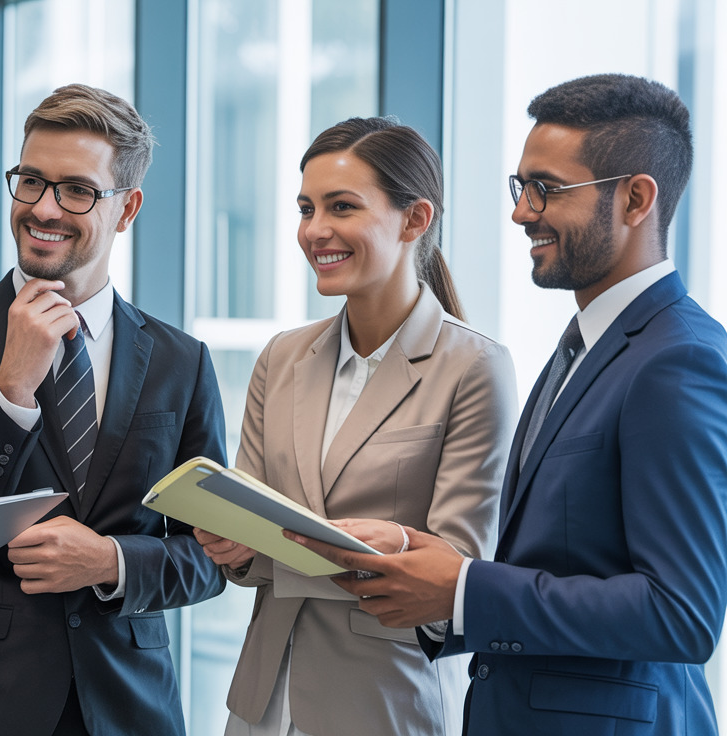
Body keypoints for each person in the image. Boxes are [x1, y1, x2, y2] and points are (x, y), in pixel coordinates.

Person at [295, 74, 727, 735]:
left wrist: (465, 589)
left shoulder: (677, 360)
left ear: (637, 198)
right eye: (519, 186)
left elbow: (681, 614)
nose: (523, 211)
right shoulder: (582, 345)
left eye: (546, 189)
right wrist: (420, 555)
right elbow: (563, 559)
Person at [0, 83, 227, 736]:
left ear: (126, 208)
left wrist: (111, 561)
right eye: (30, 181)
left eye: (76, 190)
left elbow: (214, 554)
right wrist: (10, 390)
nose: (44, 208)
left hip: (132, 707)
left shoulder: (180, 361)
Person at [194, 117, 517, 736]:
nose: (316, 231)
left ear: (414, 219)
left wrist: (282, 546)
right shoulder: (281, 358)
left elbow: (457, 571)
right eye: (307, 208)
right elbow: (253, 539)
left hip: (387, 700)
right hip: (264, 703)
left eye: (342, 207)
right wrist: (234, 550)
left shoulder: (474, 366)